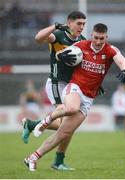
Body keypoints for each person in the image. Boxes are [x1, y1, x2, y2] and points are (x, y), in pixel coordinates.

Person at [24, 23, 125, 171]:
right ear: (92, 35)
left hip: (88, 98)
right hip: (75, 88)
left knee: (64, 134)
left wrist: (124, 70)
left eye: (102, 38)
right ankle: (47, 120)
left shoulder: (110, 50)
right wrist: (62, 55)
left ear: (107, 37)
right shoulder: (82, 44)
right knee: (72, 108)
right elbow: (58, 54)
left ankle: (32, 158)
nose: (99, 41)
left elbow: (121, 60)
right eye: (96, 38)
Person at [22, 11, 87, 170]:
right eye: (78, 23)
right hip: (56, 83)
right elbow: (38, 38)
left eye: (83, 24)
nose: (81, 27)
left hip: (71, 86)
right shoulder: (58, 35)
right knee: (66, 126)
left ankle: (33, 125)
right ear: (69, 23)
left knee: (67, 127)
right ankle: (57, 161)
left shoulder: (83, 41)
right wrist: (55, 26)